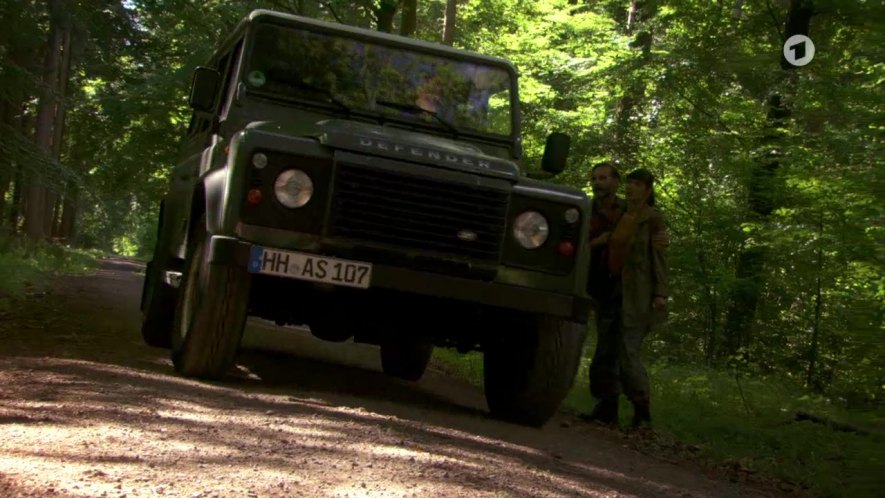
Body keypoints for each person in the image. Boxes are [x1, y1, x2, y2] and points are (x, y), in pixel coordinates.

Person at [584, 167, 669, 429]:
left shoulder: (652, 219)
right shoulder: (620, 214)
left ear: (647, 189)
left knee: (627, 353)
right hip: (611, 290)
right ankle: (606, 407)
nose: (631, 188)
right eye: (630, 183)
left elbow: (659, 258)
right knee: (605, 351)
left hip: (638, 294)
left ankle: (641, 410)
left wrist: (660, 293)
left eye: (637, 184)